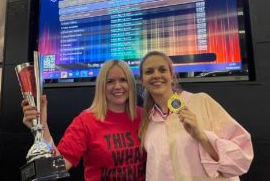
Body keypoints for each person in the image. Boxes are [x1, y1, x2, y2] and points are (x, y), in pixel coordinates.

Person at [138, 51, 253, 181]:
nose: (156, 75)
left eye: (162, 69)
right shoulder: (148, 122)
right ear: (142, 80)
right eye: (149, 72)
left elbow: (242, 158)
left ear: (171, 75)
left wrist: (202, 137)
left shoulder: (201, 101)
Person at [22, 60, 146, 181]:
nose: (117, 86)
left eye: (123, 80)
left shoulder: (144, 116)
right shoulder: (85, 121)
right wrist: (41, 125)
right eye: (110, 81)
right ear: (101, 86)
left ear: (131, 84)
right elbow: (58, 166)